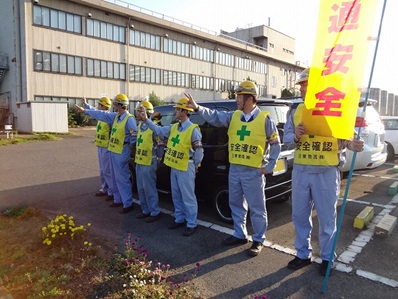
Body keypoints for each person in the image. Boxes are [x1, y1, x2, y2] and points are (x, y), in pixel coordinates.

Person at [283, 68, 364, 275]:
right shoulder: (295, 110)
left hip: (326, 172)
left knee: (327, 218)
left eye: (305, 85)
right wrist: (295, 136)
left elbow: (347, 138)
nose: (301, 89)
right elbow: (286, 136)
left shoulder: (334, 109)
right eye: (300, 85)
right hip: (301, 170)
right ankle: (302, 254)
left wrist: (354, 144)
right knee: (299, 215)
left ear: (317, 87)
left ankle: (327, 257)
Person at [186, 81, 281, 257]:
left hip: (253, 171)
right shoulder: (233, 116)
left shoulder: (265, 119)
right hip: (235, 169)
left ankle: (259, 239)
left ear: (250, 98)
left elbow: (275, 144)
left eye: (239, 96)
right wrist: (198, 108)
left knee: (257, 207)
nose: (236, 99)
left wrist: (269, 166)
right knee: (235, 203)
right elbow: (215, 116)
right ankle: (239, 234)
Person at [139, 98, 203, 236]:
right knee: (176, 194)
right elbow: (159, 130)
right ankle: (179, 218)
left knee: (188, 196)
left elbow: (199, 151)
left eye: (177, 109)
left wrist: (196, 164)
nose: (175, 111)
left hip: (187, 166)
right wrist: (146, 120)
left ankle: (191, 223)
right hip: (175, 165)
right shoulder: (174, 127)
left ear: (184, 111)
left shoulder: (193, 129)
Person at [75, 94, 137, 214]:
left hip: (121, 151)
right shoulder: (116, 116)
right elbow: (101, 114)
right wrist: (86, 109)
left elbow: (134, 134)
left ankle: (127, 203)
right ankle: (119, 199)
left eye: (115, 104)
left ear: (120, 105)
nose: (113, 106)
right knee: (116, 177)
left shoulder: (129, 118)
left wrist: (128, 144)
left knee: (122, 178)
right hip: (114, 149)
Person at [134, 100, 163, 223]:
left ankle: (154, 211)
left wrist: (159, 159)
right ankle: (145, 210)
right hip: (140, 160)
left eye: (140, 111)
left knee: (149, 188)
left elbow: (160, 145)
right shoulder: (140, 125)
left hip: (149, 161)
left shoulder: (155, 127)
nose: (138, 114)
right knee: (140, 187)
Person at [82, 97, 114, 201]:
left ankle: (111, 191)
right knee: (102, 170)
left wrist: (86, 108)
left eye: (100, 105)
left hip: (107, 147)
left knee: (107, 170)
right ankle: (104, 188)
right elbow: (95, 111)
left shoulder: (108, 117)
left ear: (105, 106)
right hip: (100, 146)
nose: (98, 106)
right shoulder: (101, 115)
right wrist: (86, 105)